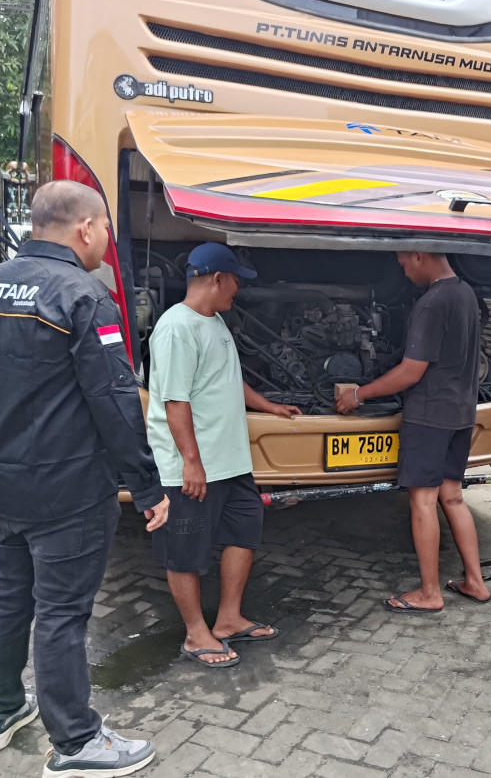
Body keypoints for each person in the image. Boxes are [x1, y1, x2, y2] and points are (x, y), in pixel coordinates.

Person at [0, 180, 168, 777]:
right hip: (68, 490)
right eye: (107, 230)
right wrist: (147, 486)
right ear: (84, 228)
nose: (109, 242)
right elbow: (116, 400)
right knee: (63, 613)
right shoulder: (84, 296)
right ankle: (76, 743)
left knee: (8, 593)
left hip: (0, 484)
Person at [146, 242, 301, 668]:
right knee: (185, 549)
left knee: (243, 532)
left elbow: (227, 380)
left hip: (230, 462)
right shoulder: (177, 328)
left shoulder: (213, 323)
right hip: (194, 467)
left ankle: (228, 619)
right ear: (217, 278)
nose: (239, 290)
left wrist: (269, 405)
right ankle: (197, 633)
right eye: (236, 281)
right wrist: (191, 463)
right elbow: (174, 402)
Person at [335, 251, 491, 612]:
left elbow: (411, 372)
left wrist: (358, 394)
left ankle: (429, 593)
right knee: (452, 497)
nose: (403, 272)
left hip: (429, 415)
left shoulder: (431, 303)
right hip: (461, 413)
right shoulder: (466, 293)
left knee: (423, 500)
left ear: (420, 256)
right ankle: (475, 582)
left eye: (404, 262)